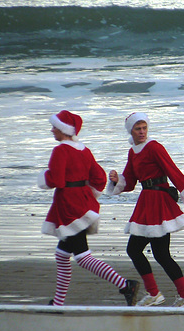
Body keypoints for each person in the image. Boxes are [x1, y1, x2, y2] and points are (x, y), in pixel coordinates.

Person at [38, 110, 140, 306]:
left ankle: (126, 285)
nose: (52, 130)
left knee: (83, 257)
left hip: (69, 208)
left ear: (62, 129)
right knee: (62, 255)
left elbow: (57, 180)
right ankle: (58, 303)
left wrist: (43, 178)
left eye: (54, 127)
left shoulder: (60, 151)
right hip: (84, 205)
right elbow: (100, 178)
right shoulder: (84, 150)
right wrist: (87, 192)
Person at [107, 112, 184, 307]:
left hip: (158, 202)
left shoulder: (154, 147)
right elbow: (130, 181)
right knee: (154, 253)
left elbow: (172, 170)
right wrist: (117, 181)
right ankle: (180, 296)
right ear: (131, 131)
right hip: (146, 201)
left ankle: (163, 294)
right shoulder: (133, 152)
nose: (142, 132)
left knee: (140, 250)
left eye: (144, 128)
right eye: (138, 129)